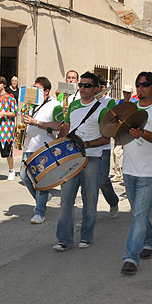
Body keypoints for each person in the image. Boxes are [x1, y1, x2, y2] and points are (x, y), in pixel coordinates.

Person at [120, 72, 152, 275]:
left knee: (139, 214)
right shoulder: (130, 109)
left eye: (145, 84)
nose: (140, 88)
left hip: (149, 172)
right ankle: (150, 241)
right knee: (138, 213)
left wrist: (142, 133)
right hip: (128, 169)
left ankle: (131, 257)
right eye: (138, 84)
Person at [54, 72, 112, 250]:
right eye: (81, 85)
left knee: (90, 199)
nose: (82, 88)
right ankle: (64, 239)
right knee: (66, 200)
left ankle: (86, 237)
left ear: (95, 89)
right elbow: (66, 127)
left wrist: (86, 144)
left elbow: (106, 138)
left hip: (92, 158)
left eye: (87, 85)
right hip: (71, 157)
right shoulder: (73, 105)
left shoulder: (102, 109)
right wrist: (59, 147)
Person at [19, 77, 63, 224]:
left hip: (44, 147)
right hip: (29, 146)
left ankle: (39, 212)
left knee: (41, 181)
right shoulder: (31, 104)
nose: (33, 91)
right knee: (24, 176)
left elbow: (59, 125)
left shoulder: (55, 105)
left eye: (37, 89)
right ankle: (43, 199)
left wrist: (36, 122)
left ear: (46, 91)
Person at [95, 77, 119, 218]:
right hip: (86, 146)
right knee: (89, 183)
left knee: (103, 180)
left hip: (102, 145)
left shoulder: (109, 102)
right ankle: (89, 214)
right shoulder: (84, 100)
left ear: (103, 88)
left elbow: (110, 121)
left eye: (97, 86)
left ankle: (113, 201)